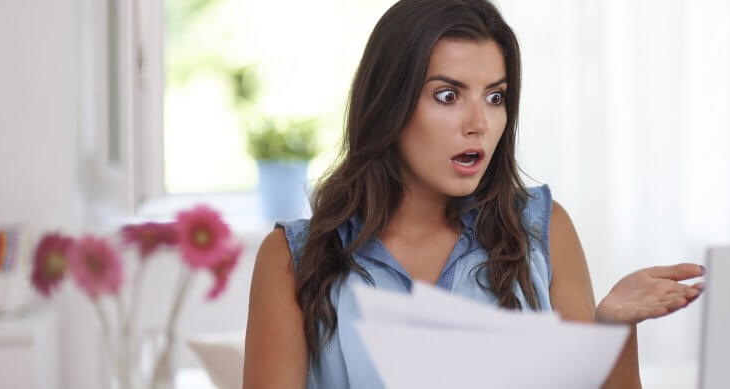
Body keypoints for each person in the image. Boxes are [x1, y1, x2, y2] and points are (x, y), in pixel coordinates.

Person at [243, 0, 704, 387]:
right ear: (389, 102)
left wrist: (614, 327)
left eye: (495, 96)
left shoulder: (543, 231)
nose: (479, 124)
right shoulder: (293, 260)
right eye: (448, 95)